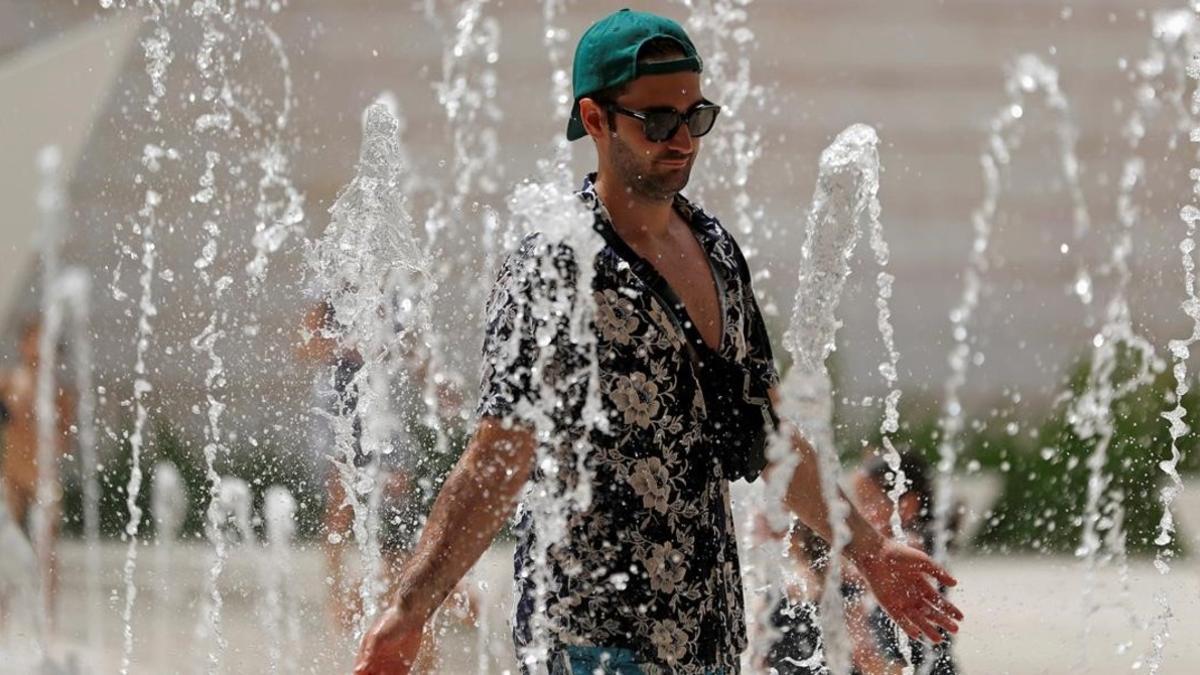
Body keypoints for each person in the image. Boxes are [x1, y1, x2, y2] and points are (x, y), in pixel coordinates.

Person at [355, 9, 962, 674]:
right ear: (595, 119)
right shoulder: (558, 264)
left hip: (707, 632)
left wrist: (869, 548)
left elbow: (766, 433)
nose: (681, 140)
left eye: (694, 117)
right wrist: (411, 608)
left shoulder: (717, 250)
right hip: (587, 633)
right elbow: (499, 456)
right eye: (657, 120)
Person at [849, 452, 960, 675]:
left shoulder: (913, 546)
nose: (860, 514)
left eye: (869, 502)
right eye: (857, 504)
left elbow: (852, 573)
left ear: (906, 506)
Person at [0, 319, 74, 613]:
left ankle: (47, 617)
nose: (38, 350)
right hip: (12, 474)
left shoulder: (58, 393)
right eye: (33, 341)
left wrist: (42, 426)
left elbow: (65, 440)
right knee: (6, 544)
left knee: (47, 548)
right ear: (22, 345)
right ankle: (3, 614)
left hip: (44, 477)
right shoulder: (8, 382)